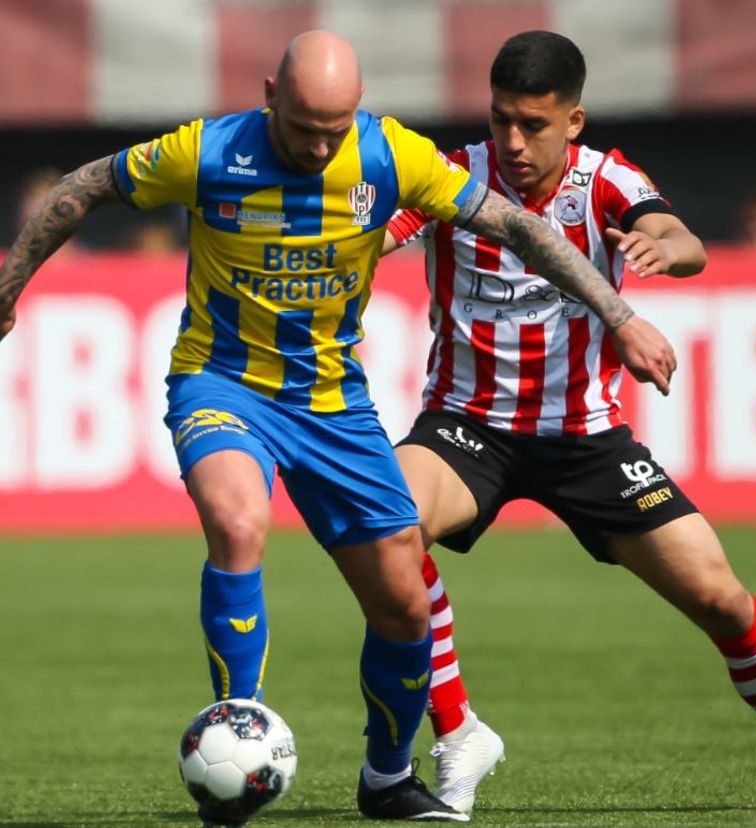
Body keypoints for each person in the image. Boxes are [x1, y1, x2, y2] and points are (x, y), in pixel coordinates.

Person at [0, 30, 676, 825]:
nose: (322, 147)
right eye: (304, 128)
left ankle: (387, 779)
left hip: (332, 403)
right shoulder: (207, 151)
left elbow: (518, 228)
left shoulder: (391, 155)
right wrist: (11, 287)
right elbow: (87, 183)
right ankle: (238, 723)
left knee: (403, 604)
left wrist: (619, 313)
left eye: (337, 128)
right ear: (269, 97)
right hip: (222, 382)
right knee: (237, 521)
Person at [387, 31, 756, 814]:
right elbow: (380, 231)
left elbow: (678, 237)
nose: (513, 143)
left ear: (574, 121)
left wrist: (662, 250)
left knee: (722, 598)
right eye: (500, 122)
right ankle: (458, 736)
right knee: (389, 524)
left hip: (588, 439)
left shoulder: (607, 182)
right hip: (466, 426)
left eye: (534, 125)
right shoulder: (452, 177)